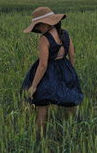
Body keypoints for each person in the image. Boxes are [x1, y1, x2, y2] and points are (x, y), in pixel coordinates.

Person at [20, 7, 84, 138]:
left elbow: (43, 65)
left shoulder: (44, 39)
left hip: (48, 74)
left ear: (46, 23)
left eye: (38, 25)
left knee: (42, 105)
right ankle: (76, 131)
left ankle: (39, 139)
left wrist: (34, 85)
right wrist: (70, 71)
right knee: (70, 100)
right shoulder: (65, 34)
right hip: (65, 68)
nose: (37, 29)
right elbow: (72, 55)